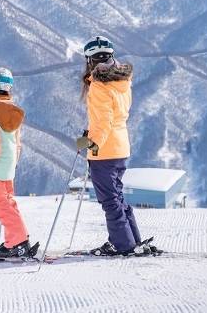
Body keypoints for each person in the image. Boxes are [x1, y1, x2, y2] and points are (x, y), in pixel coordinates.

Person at [75, 36, 153, 256]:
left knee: (110, 200)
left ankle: (124, 245)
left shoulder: (99, 86)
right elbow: (113, 118)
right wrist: (92, 134)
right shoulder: (122, 81)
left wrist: (90, 142)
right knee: (117, 197)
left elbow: (103, 122)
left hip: (105, 151)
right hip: (120, 147)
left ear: (89, 59)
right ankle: (131, 240)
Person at [0, 67, 38, 259]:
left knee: (0, 204)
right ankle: (16, 239)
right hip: (9, 162)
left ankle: (17, 242)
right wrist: (13, 161)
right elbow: (17, 140)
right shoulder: (11, 109)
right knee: (8, 202)